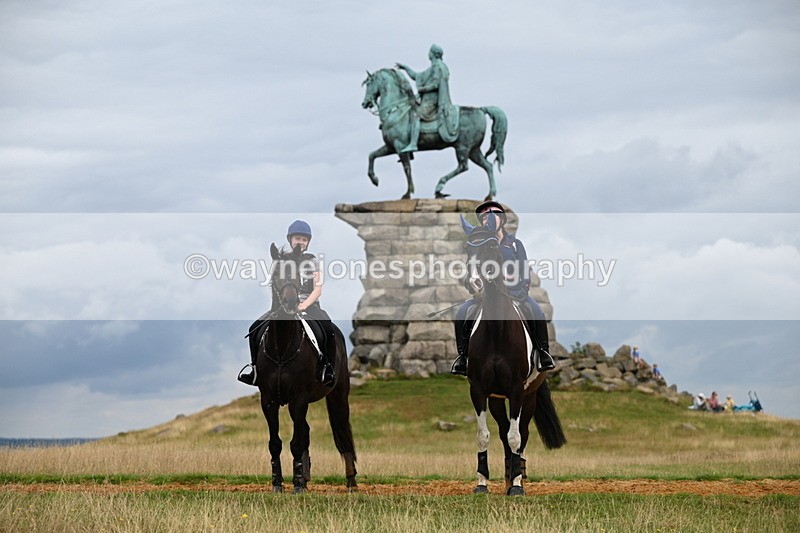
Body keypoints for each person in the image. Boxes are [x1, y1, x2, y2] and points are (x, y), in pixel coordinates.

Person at [450, 201, 556, 376]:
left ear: (501, 220)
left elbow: (524, 269)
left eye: (492, 216)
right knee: (462, 312)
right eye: (483, 218)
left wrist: (523, 290)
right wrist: (472, 284)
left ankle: (543, 353)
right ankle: (462, 357)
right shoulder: (480, 244)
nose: (487, 220)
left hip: (515, 294)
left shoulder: (514, 244)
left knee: (537, 312)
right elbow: (472, 269)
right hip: (486, 297)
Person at [238, 220, 336, 387]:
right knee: (254, 329)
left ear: (308, 242)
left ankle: (327, 368)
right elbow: (275, 286)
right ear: (290, 239)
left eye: (304, 239)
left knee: (328, 330)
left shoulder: (312, 261)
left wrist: (303, 306)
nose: (301, 242)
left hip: (309, 306)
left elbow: (317, 289)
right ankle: (255, 370)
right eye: (298, 238)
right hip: (283, 307)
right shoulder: (281, 261)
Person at [396, 43, 458, 153]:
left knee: (415, 115)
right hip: (428, 100)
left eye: (429, 52)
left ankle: (413, 144)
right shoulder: (434, 67)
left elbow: (435, 84)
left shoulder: (437, 67)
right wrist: (406, 68)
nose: (428, 54)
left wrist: (422, 89)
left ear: (433, 54)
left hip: (432, 101)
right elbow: (417, 76)